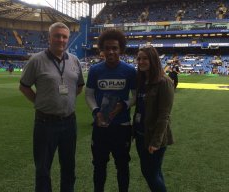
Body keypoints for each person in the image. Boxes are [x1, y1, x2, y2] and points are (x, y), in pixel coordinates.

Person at [19, 22, 85, 192]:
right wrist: (39, 102)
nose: (60, 40)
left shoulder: (74, 60)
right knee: (42, 169)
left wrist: (65, 101)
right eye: (57, 35)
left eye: (64, 37)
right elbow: (24, 86)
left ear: (68, 39)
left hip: (69, 122)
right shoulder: (36, 60)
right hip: (45, 123)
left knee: (69, 168)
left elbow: (79, 86)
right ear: (49, 38)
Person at [85, 29, 137, 192]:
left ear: (120, 49)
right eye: (107, 48)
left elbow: (135, 96)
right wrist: (96, 112)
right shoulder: (95, 70)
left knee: (122, 165)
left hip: (122, 126)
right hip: (101, 126)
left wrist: (124, 105)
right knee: (99, 166)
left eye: (114, 48)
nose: (111, 51)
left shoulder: (130, 71)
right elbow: (89, 95)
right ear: (102, 49)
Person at [133, 46, 174, 192]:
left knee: (150, 173)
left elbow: (164, 115)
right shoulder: (142, 80)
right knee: (154, 172)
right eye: (139, 58)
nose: (141, 61)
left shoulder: (164, 82)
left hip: (153, 138)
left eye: (145, 58)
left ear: (153, 60)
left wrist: (156, 142)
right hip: (140, 135)